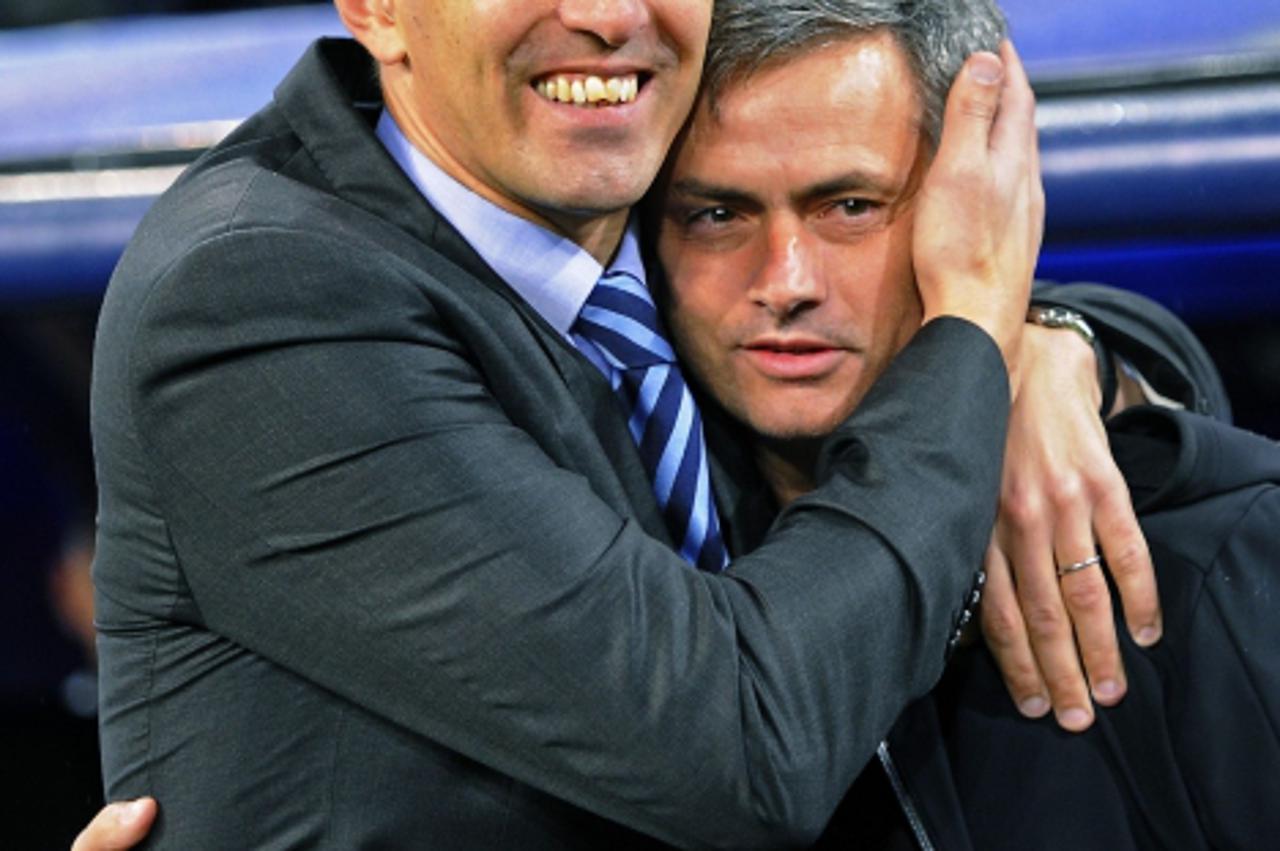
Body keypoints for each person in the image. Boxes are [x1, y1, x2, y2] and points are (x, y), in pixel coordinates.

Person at [79, 0, 1209, 847]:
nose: (610, 16)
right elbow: (739, 745)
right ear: (377, 8)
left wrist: (1051, 345)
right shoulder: (260, 292)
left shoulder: (639, 223)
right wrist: (967, 343)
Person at [648, 0, 1266, 846]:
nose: (785, 279)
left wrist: (1050, 344)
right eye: (717, 215)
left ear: (981, 199)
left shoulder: (1222, 555)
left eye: (851, 206)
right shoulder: (618, 557)